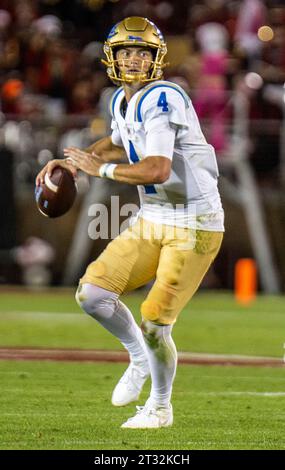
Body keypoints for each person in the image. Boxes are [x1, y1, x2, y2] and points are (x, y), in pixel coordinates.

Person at [36, 16, 224, 429]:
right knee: (92, 295)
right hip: (154, 217)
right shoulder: (122, 100)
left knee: (156, 321)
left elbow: (156, 169)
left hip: (195, 222)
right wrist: (73, 164)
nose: (135, 60)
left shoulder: (163, 98)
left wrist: (98, 171)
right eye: (127, 52)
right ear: (112, 57)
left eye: (142, 52)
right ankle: (138, 359)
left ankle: (159, 407)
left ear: (156, 59)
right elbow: (117, 141)